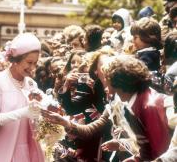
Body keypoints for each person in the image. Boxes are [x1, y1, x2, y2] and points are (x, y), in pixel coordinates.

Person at [42, 55, 171, 161]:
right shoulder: (120, 101)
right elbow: (93, 128)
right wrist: (65, 122)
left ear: (117, 80)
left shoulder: (149, 105)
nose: (102, 81)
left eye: (106, 77)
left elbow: (161, 152)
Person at [0, 33, 44, 162]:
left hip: (27, 152)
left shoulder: (31, 84)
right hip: (2, 151)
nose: (33, 68)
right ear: (15, 59)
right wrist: (23, 113)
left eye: (35, 63)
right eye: (29, 62)